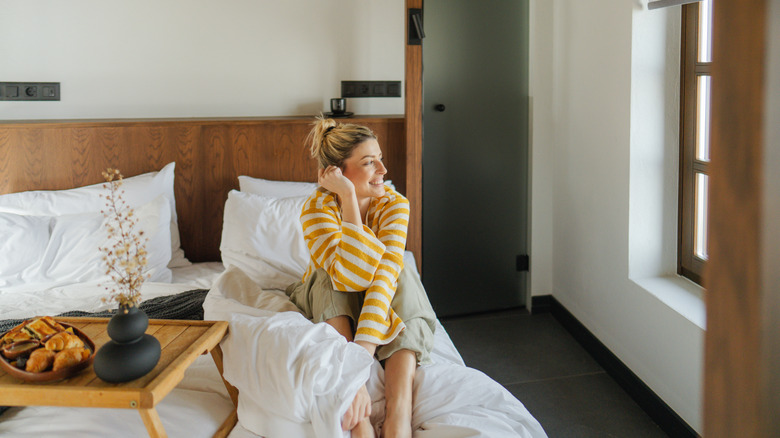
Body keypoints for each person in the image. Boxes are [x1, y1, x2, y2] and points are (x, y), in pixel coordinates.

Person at [285, 116, 437, 438]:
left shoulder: (395, 205)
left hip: (380, 295)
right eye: (369, 162)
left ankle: (398, 413)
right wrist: (349, 200)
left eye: (380, 158)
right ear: (337, 172)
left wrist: (360, 360)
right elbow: (348, 277)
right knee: (327, 277)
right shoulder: (316, 208)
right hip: (332, 295)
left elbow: (383, 279)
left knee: (401, 273)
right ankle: (359, 418)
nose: (383, 169)